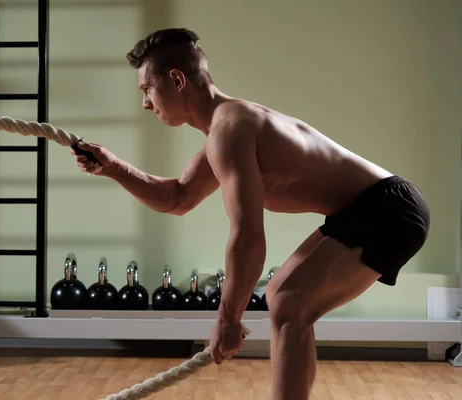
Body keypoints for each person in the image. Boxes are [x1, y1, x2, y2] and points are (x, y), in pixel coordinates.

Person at [70, 28, 431, 400]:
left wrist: (228, 319)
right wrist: (114, 167)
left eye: (147, 89)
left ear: (176, 80)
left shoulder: (231, 128)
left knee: (291, 302)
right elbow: (177, 197)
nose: (146, 103)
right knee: (282, 297)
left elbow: (247, 238)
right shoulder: (223, 132)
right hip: (369, 208)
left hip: (390, 208)